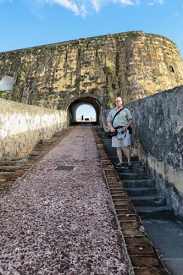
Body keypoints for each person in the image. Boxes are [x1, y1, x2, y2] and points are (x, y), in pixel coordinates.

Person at [106, 97, 133, 169]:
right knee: (117, 147)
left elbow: (130, 120)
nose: (118, 102)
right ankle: (121, 162)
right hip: (115, 130)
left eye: (119, 101)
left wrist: (126, 127)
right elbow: (108, 121)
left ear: (121, 102)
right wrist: (111, 128)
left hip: (124, 129)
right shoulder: (112, 111)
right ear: (115, 102)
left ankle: (129, 162)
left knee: (126, 146)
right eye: (116, 101)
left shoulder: (126, 110)